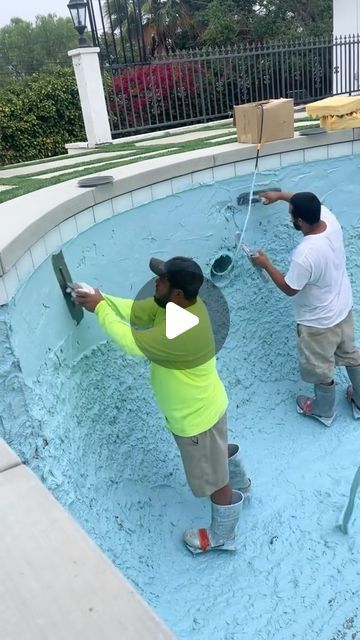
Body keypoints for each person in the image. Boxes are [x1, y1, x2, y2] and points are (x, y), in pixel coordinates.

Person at [73, 256, 251, 553]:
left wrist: (100, 309)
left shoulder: (184, 326)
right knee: (216, 450)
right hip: (208, 406)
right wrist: (102, 299)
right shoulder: (174, 306)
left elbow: (131, 342)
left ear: (177, 293)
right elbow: (134, 311)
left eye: (162, 280)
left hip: (196, 419)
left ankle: (223, 535)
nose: (156, 282)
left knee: (215, 479)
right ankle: (242, 482)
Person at [251, 191, 360, 426]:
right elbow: (311, 201)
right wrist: (279, 196)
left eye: (292, 215)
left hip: (319, 324)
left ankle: (323, 410)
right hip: (343, 309)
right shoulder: (330, 220)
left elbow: (290, 288)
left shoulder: (305, 254)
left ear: (299, 221)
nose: (291, 218)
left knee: (321, 370)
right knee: (350, 354)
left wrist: (265, 264)